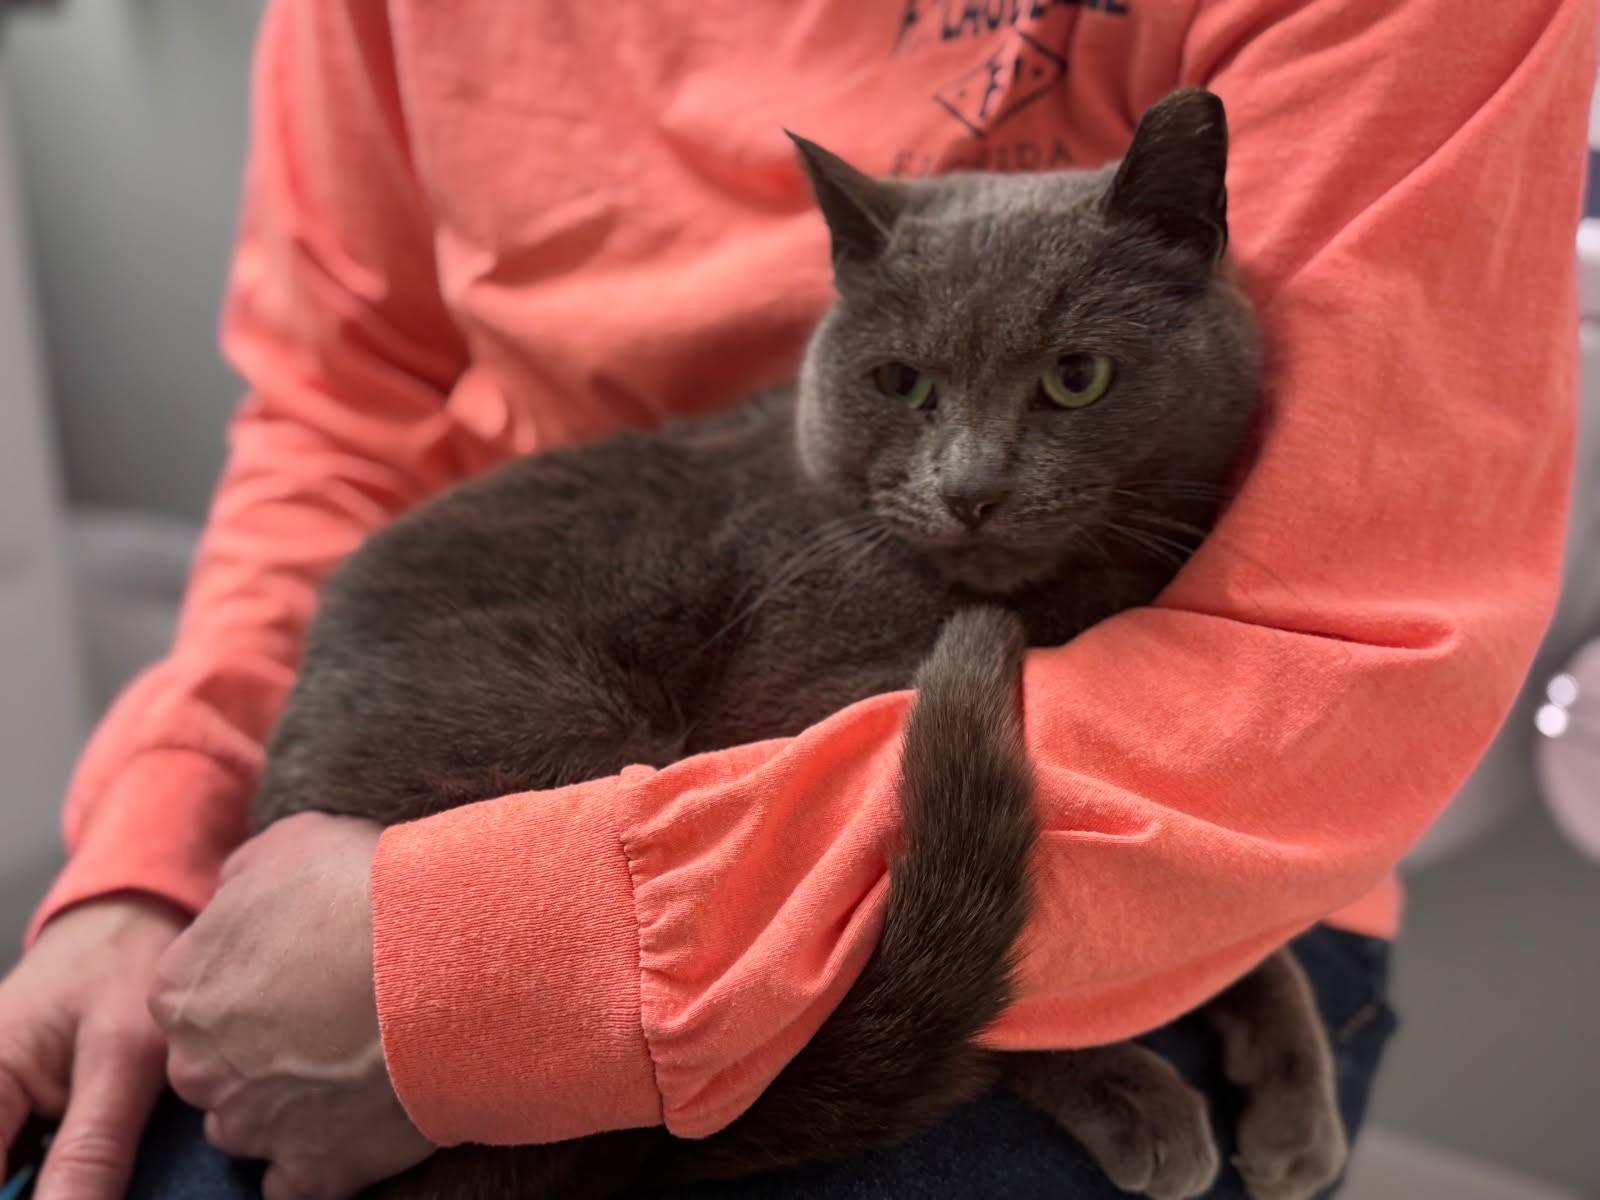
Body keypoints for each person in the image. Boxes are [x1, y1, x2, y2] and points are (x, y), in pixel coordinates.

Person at [0, 2, 1591, 1198]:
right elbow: (342, 419)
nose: (967, 480)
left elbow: (1336, 647)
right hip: (446, 781)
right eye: (909, 395)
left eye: (1068, 381)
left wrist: (495, 982)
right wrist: (149, 859)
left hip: (1185, 828)